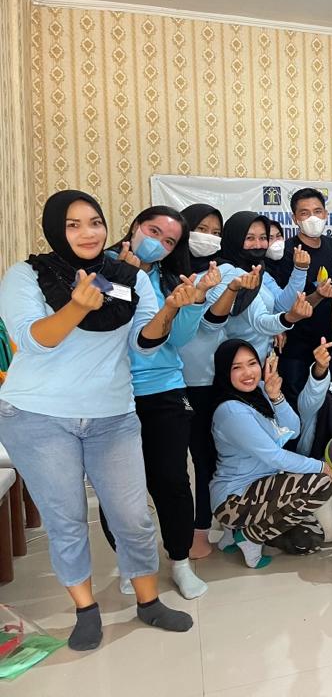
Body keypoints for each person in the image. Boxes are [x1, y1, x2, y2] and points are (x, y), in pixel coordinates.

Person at [0, 190, 193, 651]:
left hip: (112, 414)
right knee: (66, 519)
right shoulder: (26, 274)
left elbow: (144, 342)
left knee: (132, 517)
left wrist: (170, 308)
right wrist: (76, 307)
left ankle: (148, 602)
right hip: (38, 416)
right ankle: (86, 611)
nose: (88, 233)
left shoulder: (127, 276)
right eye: (73, 225)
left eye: (95, 222)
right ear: (55, 229)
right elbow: (34, 340)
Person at [99, 206, 218, 599]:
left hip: (164, 388)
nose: (159, 244)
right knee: (118, 486)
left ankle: (180, 561)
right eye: (153, 232)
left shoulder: (168, 277)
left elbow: (177, 339)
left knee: (171, 480)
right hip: (114, 392)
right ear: (135, 227)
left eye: (169, 241)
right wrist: (123, 277)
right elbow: (98, 326)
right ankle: (130, 562)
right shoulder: (101, 268)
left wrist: (193, 302)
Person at [178, 203, 263, 559]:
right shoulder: (169, 272)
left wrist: (233, 290)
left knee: (210, 457)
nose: (209, 238)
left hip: (213, 378)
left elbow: (216, 322)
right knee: (180, 464)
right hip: (174, 380)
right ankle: (187, 532)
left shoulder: (226, 271)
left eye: (216, 232)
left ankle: (212, 526)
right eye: (202, 229)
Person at [209, 339, 332, 567]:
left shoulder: (259, 391)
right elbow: (275, 457)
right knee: (321, 483)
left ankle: (232, 532)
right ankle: (249, 536)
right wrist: (322, 467)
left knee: (311, 539)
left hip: (263, 488)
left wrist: (276, 396)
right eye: (237, 367)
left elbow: (293, 429)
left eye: (252, 363)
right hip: (235, 499)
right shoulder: (230, 411)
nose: (248, 373)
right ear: (224, 371)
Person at [206, 211, 313, 360]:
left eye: (263, 238)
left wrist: (300, 269)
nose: (257, 245)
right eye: (249, 238)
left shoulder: (259, 271)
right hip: (232, 364)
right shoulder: (225, 273)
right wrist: (288, 319)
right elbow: (259, 321)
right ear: (234, 239)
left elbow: (280, 306)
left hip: (258, 362)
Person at [273, 188, 332, 406]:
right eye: (305, 213)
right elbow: (285, 306)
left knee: (324, 405)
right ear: (295, 219)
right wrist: (318, 295)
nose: (313, 218)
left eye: (318, 211)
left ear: (326, 214)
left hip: (326, 342)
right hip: (295, 346)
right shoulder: (286, 252)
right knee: (296, 405)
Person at [263, 219, 289, 287]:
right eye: (270, 238)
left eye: (278, 236)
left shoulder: (290, 260)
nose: (276, 242)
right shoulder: (259, 269)